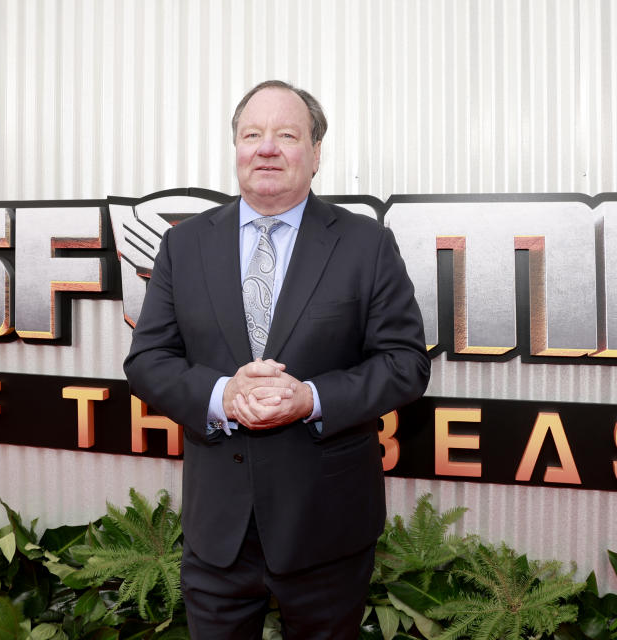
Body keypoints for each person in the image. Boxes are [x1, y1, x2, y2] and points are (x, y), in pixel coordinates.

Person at [124, 80, 430, 639]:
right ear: (236, 149)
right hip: (217, 530)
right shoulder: (183, 245)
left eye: (286, 135)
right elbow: (147, 361)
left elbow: (405, 362)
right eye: (252, 134)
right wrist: (224, 396)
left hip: (327, 528)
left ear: (315, 155)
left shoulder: (366, 244)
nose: (267, 148)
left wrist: (312, 398)